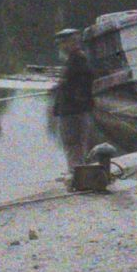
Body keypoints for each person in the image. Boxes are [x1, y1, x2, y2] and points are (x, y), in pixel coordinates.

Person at [52, 27, 98, 173]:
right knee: (79, 146)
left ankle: (77, 176)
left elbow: (73, 86)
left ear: (69, 44)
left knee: (73, 146)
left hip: (71, 112)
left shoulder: (76, 62)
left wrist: (60, 86)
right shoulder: (80, 60)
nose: (60, 47)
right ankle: (80, 174)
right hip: (78, 110)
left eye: (62, 43)